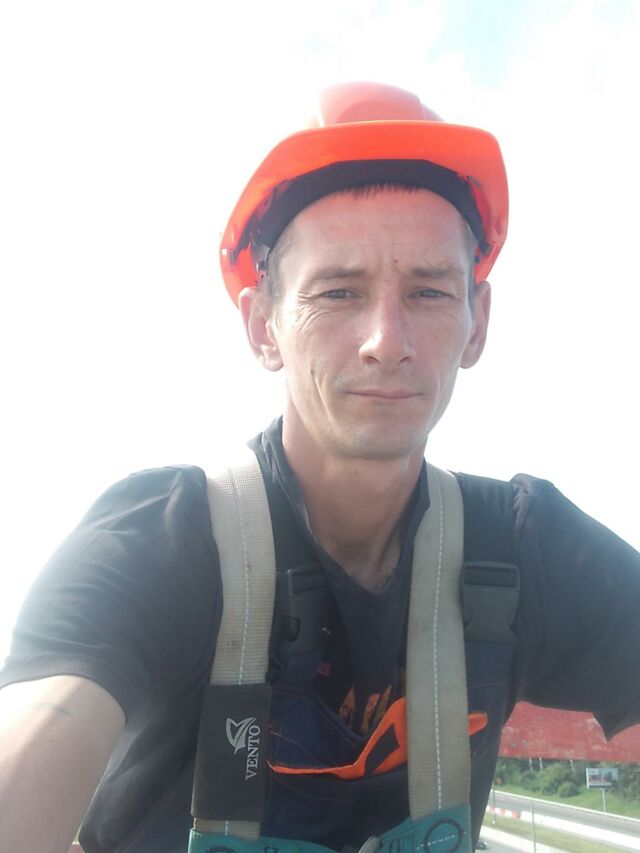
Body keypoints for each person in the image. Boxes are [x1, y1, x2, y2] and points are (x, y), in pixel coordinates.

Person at [1, 81, 639, 853]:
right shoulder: (160, 543)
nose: (386, 340)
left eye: (429, 290)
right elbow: (40, 733)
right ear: (262, 327)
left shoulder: (521, 548)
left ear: (478, 324)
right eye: (339, 291)